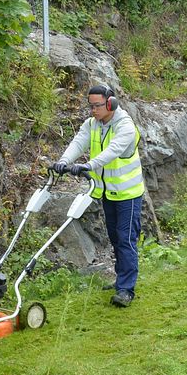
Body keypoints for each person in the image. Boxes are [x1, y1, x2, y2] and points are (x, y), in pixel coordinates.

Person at [53, 85, 144, 308]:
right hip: (107, 192)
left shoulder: (125, 126)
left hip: (127, 194)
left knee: (125, 239)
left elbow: (112, 151)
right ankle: (121, 279)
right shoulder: (92, 124)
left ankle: (126, 289)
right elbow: (78, 142)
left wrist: (87, 165)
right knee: (115, 238)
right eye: (90, 106)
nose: (93, 110)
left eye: (97, 106)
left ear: (110, 103)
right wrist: (64, 161)